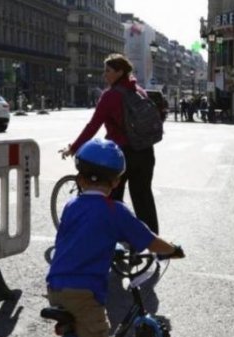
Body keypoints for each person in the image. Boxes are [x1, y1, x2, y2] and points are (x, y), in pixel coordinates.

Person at [45, 138, 184, 337]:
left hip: (56, 285)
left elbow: (78, 237)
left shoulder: (71, 205)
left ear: (80, 179)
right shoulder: (115, 211)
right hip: (83, 293)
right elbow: (150, 240)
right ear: (117, 182)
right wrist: (173, 249)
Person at [61, 53, 160, 234]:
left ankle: (113, 239)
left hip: (120, 155)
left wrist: (73, 147)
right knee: (144, 197)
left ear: (120, 72)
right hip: (145, 151)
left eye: (108, 71)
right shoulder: (139, 91)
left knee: (113, 197)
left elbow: (93, 126)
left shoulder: (110, 96)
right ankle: (153, 243)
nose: (104, 74)